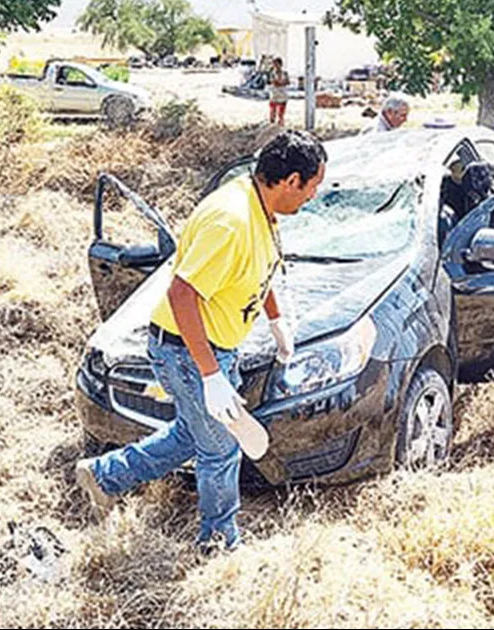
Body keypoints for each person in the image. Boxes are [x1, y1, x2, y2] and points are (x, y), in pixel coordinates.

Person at [75, 130, 329, 551]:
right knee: (221, 449)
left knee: (193, 435)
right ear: (290, 181)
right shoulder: (230, 221)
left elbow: (258, 268)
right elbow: (182, 294)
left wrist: (276, 320)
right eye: (313, 185)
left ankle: (105, 476)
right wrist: (210, 375)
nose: (313, 195)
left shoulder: (262, 207)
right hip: (186, 350)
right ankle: (219, 541)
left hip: (214, 348)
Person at [268, 57, 290, 126]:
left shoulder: (285, 73)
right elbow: (275, 83)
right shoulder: (272, 73)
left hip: (283, 95)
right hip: (275, 95)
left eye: (277, 64)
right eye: (274, 64)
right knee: (272, 112)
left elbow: (288, 82)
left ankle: (280, 125)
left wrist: (281, 83)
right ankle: (272, 126)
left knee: (281, 114)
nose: (276, 66)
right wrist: (282, 83)